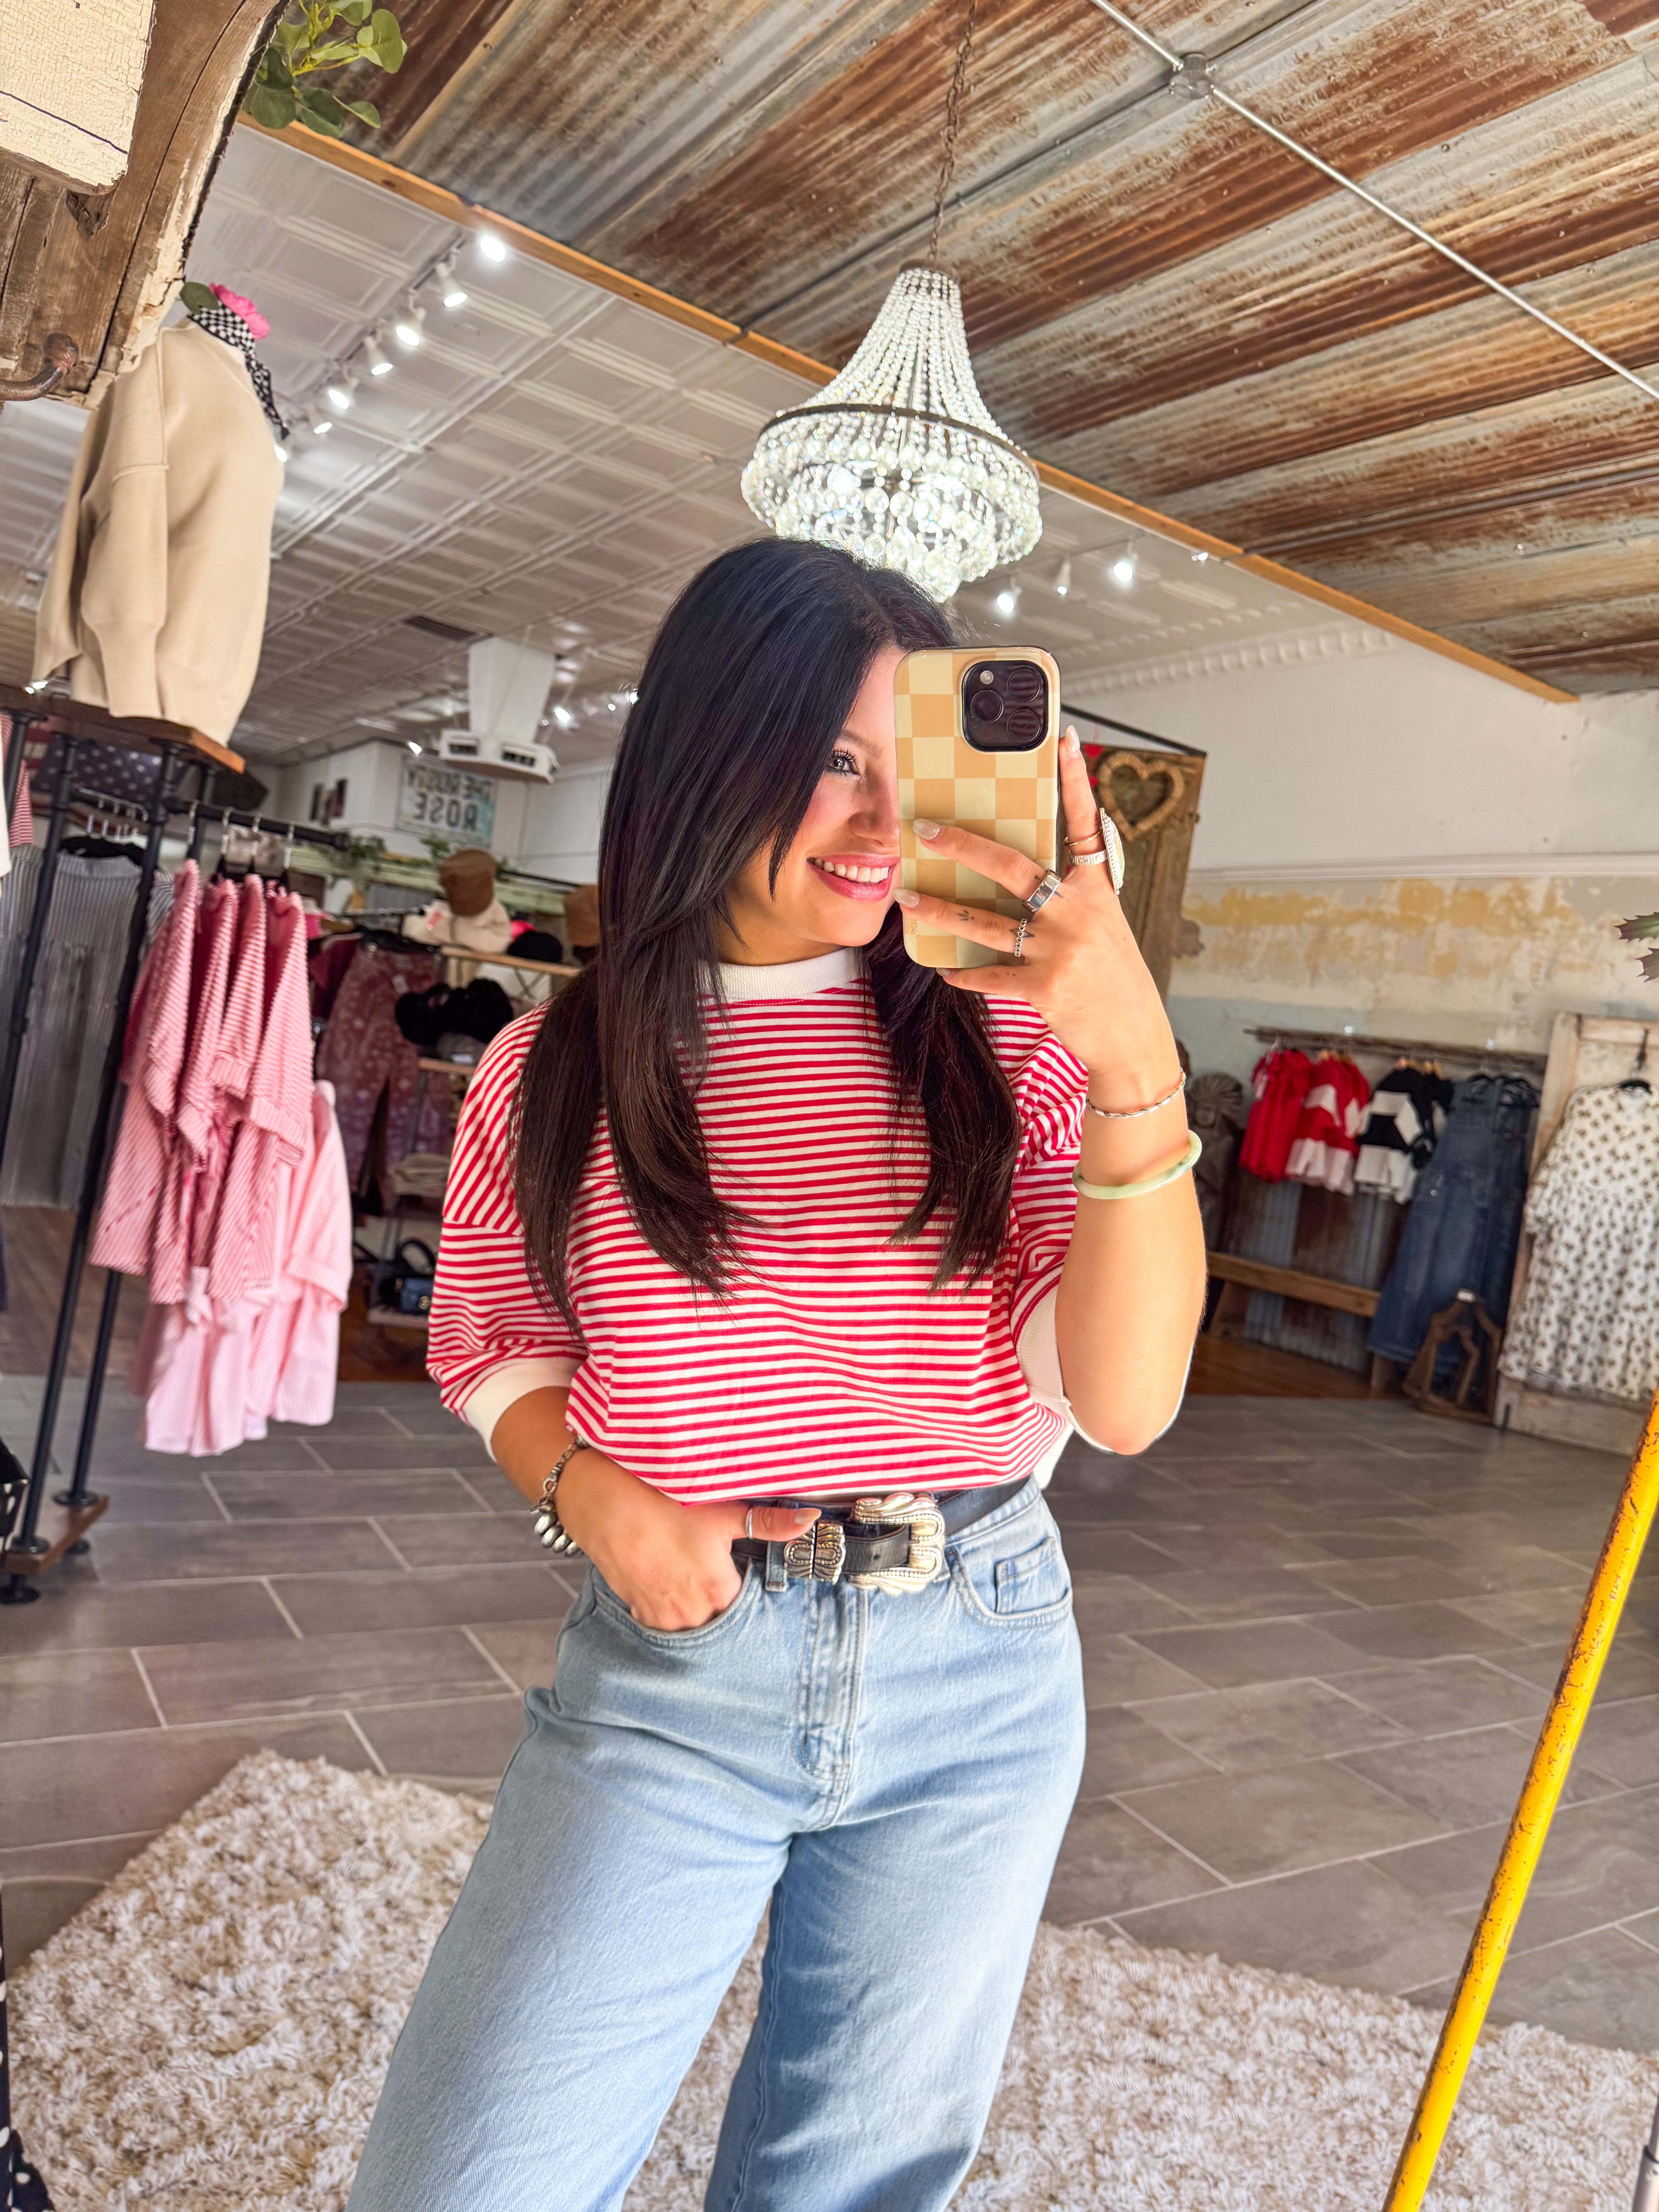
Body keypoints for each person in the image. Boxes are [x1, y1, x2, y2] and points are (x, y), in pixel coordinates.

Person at [345, 539, 1206, 2212]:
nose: (882, 821)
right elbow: (493, 1338)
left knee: (849, 2191)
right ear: (709, 746)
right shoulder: (556, 1060)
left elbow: (1122, 1400)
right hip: (681, 1664)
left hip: (978, 1659)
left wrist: (1133, 1054)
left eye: (913, 764)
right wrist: (593, 1501)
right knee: (461, 2179)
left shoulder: (1011, 1047)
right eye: (830, 757)